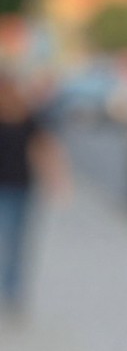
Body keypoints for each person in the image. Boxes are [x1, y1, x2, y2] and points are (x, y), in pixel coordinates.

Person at [0, 64, 70, 320]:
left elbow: (44, 148)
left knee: (18, 242)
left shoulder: (28, 116)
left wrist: (57, 180)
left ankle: (13, 291)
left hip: (22, 187)